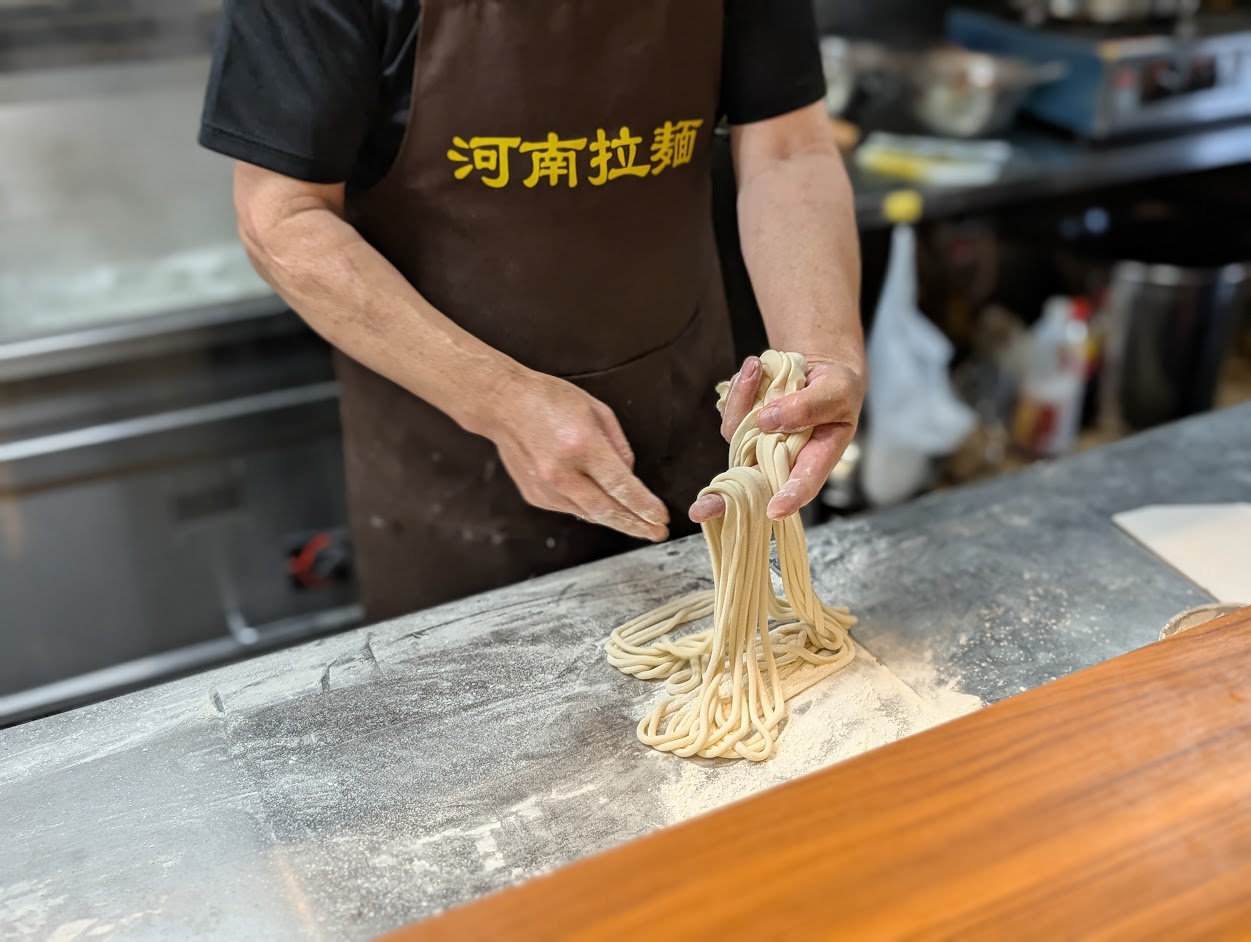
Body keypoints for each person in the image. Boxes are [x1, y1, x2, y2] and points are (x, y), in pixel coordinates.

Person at [200, 0, 866, 623]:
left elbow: (788, 148)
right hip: (454, 475)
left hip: (690, 426)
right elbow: (281, 217)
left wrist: (821, 353)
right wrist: (498, 397)